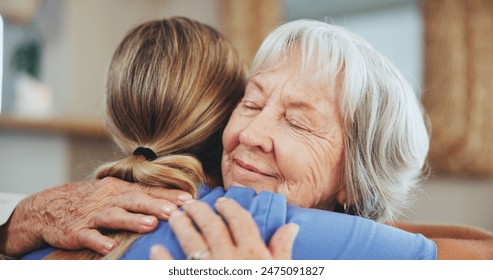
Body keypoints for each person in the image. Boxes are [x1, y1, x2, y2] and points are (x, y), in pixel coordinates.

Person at [2, 18, 492, 260]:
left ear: (355, 178)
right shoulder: (257, 224)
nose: (250, 134)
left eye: (297, 122)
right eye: (252, 103)